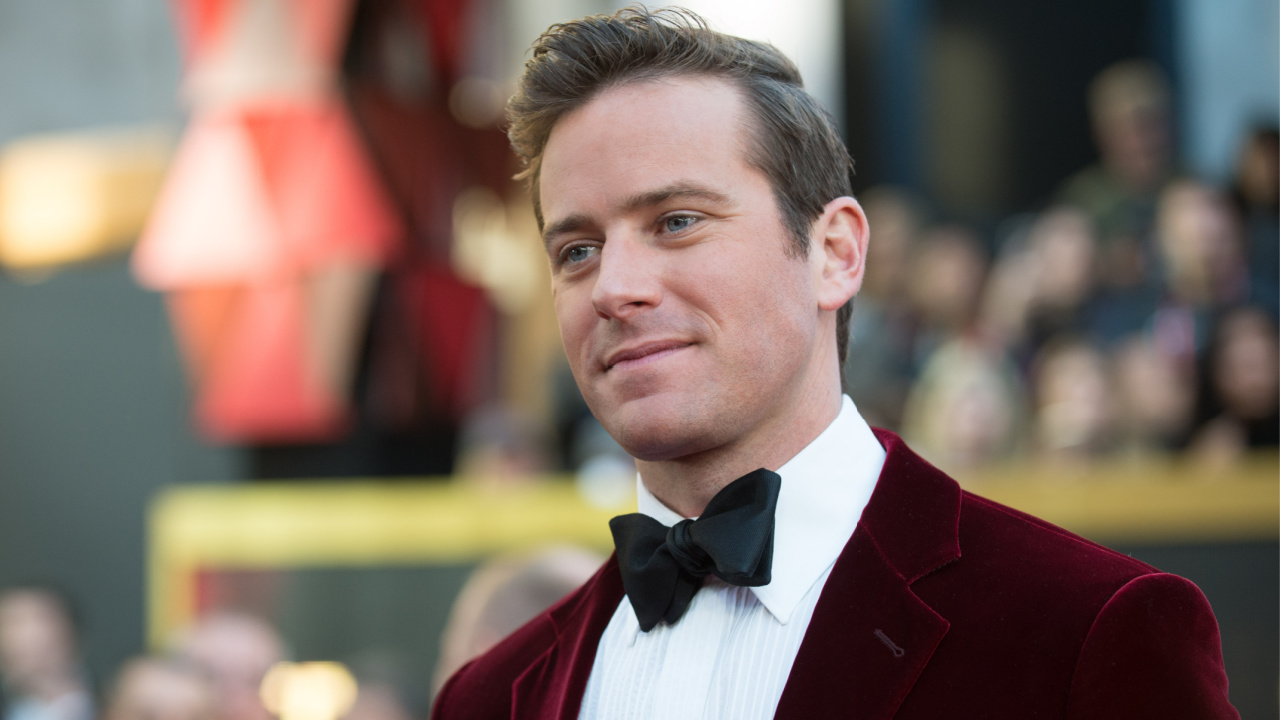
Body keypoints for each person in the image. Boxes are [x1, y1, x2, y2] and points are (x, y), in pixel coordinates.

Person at [432, 8, 1237, 718]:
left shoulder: (1086, 632)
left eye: (676, 221)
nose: (615, 287)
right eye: (578, 249)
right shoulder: (489, 699)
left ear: (836, 253)